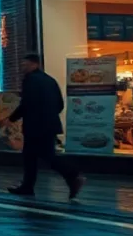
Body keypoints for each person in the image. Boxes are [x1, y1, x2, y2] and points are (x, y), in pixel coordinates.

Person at [5, 53, 85, 199]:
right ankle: (27, 186)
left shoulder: (30, 80)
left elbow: (27, 103)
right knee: (31, 156)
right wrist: (50, 115)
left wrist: (12, 118)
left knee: (44, 155)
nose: (23, 67)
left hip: (35, 125)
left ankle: (73, 175)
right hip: (49, 124)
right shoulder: (50, 80)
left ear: (35, 64)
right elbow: (60, 104)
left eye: (25, 64)